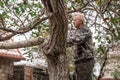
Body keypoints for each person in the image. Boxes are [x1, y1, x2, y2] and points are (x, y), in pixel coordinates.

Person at [67, 13, 95, 80]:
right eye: (73, 20)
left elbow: (77, 39)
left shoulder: (85, 30)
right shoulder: (74, 32)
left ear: (81, 21)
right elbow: (67, 44)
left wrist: (64, 40)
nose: (73, 22)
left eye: (75, 20)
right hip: (78, 61)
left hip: (86, 60)